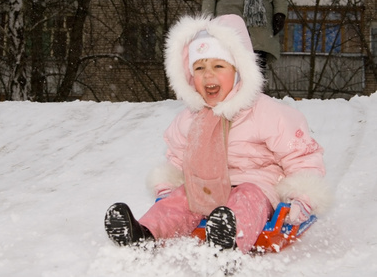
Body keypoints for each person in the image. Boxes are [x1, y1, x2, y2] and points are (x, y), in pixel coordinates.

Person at [104, 14, 331, 254]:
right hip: (206, 187)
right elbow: (180, 157)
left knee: (247, 198)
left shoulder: (267, 112)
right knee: (182, 198)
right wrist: (169, 186)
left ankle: (228, 240)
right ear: (190, 76)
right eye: (199, 68)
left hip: (257, 185)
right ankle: (144, 233)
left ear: (238, 70)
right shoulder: (190, 118)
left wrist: (303, 196)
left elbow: (301, 156)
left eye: (218, 66)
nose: (208, 75)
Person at [201, 0, 287, 73]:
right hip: (227, 12)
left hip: (259, 17)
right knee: (227, 67)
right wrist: (207, 16)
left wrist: (280, 11)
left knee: (256, 70)